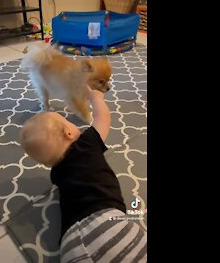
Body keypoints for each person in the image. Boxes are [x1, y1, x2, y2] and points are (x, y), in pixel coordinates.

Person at [20, 86, 147, 263]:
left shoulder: (56, 173)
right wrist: (96, 98)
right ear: (69, 132)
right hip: (108, 223)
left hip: (70, 241)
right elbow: (103, 118)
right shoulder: (87, 143)